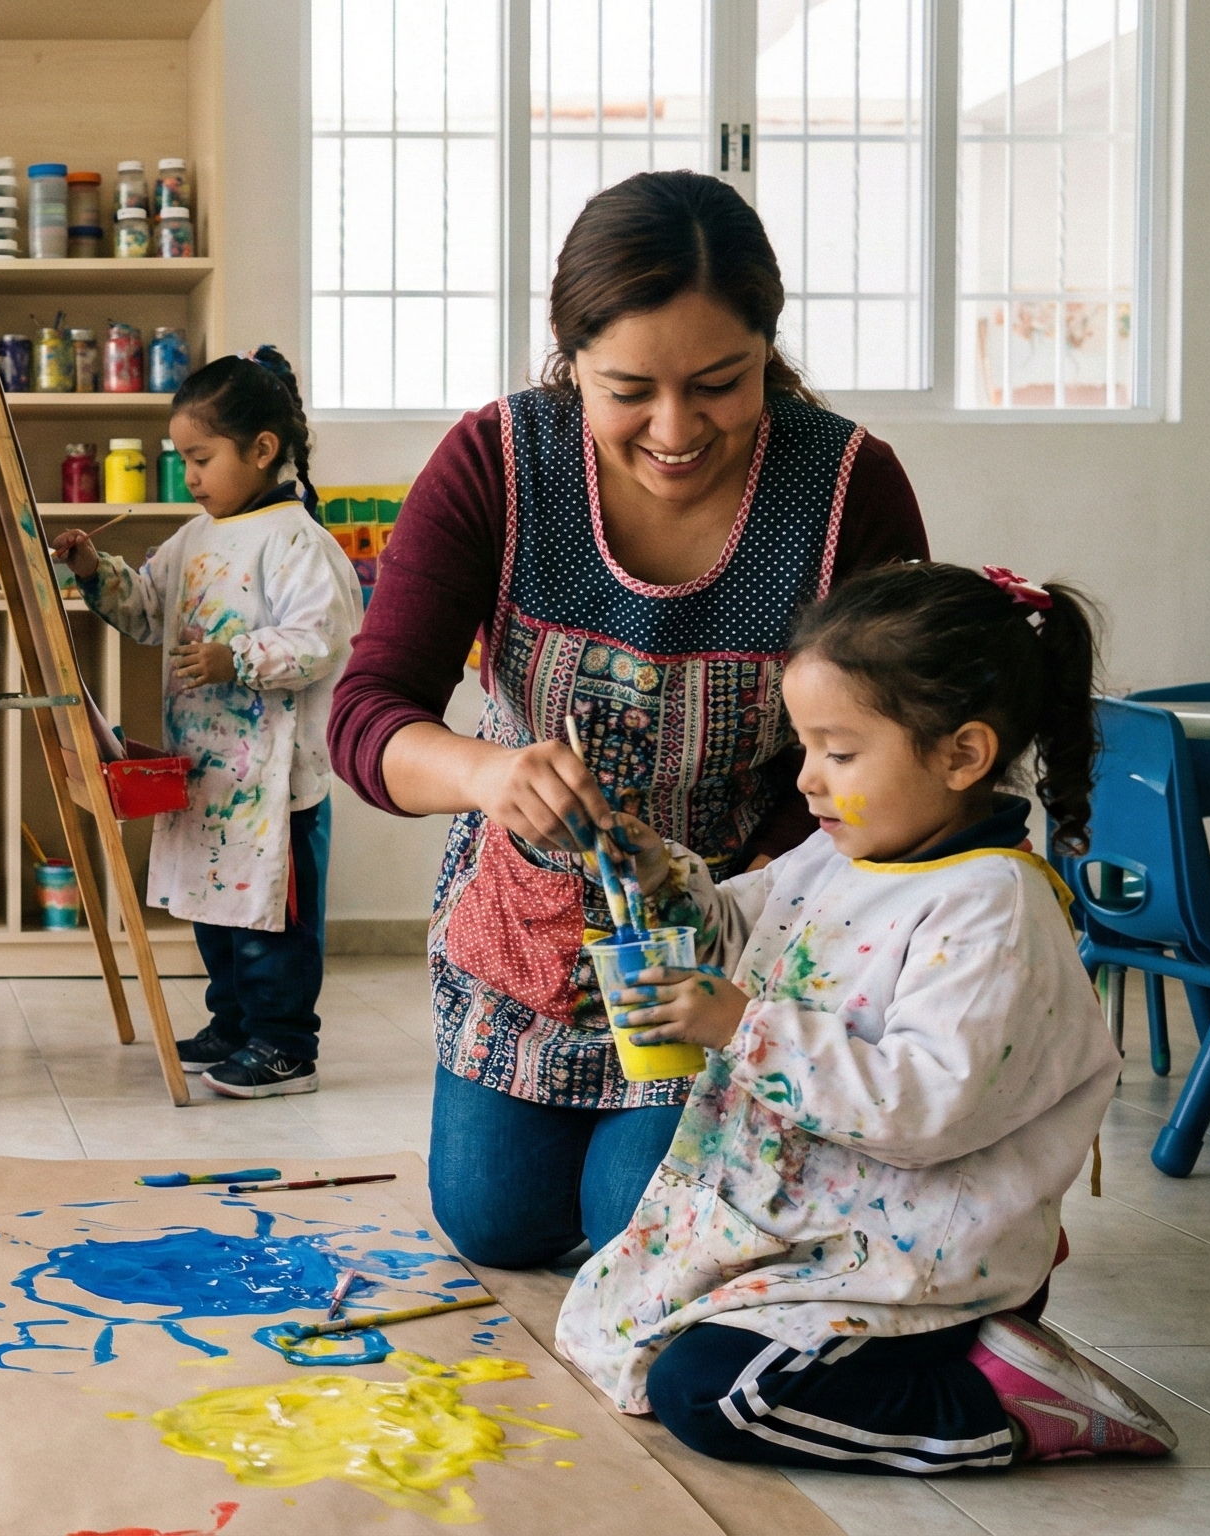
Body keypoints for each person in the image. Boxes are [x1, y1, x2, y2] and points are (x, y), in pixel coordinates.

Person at [323, 170, 931, 1264]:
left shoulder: (845, 486)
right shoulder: (498, 463)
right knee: (496, 1225)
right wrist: (482, 776)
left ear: (767, 351)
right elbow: (367, 718)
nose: (672, 429)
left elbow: (899, 743)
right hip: (529, 925)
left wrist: (749, 914)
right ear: (569, 362)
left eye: (717, 384)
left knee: (632, 1229)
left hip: (741, 936)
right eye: (626, 390)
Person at [555, 561, 1173, 1471]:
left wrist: (739, 1029)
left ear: (962, 754)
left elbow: (923, 1111)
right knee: (612, 1315)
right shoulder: (842, 854)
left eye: (838, 753)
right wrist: (662, 878)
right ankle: (965, 1359)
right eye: (806, 747)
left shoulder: (990, 906)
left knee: (716, 1393)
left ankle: (1003, 1401)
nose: (808, 781)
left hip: (923, 1252)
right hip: (820, 1221)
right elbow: (743, 930)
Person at [53, 347, 363, 1098]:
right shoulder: (195, 536)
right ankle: (233, 1023)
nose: (189, 476)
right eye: (180, 460)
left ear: (262, 450)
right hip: (208, 771)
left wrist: (237, 658)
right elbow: (148, 612)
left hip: (274, 782)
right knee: (214, 909)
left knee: (272, 923)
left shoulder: (297, 540)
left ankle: (285, 1044)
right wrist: (97, 570)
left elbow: (324, 640)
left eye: (201, 458)